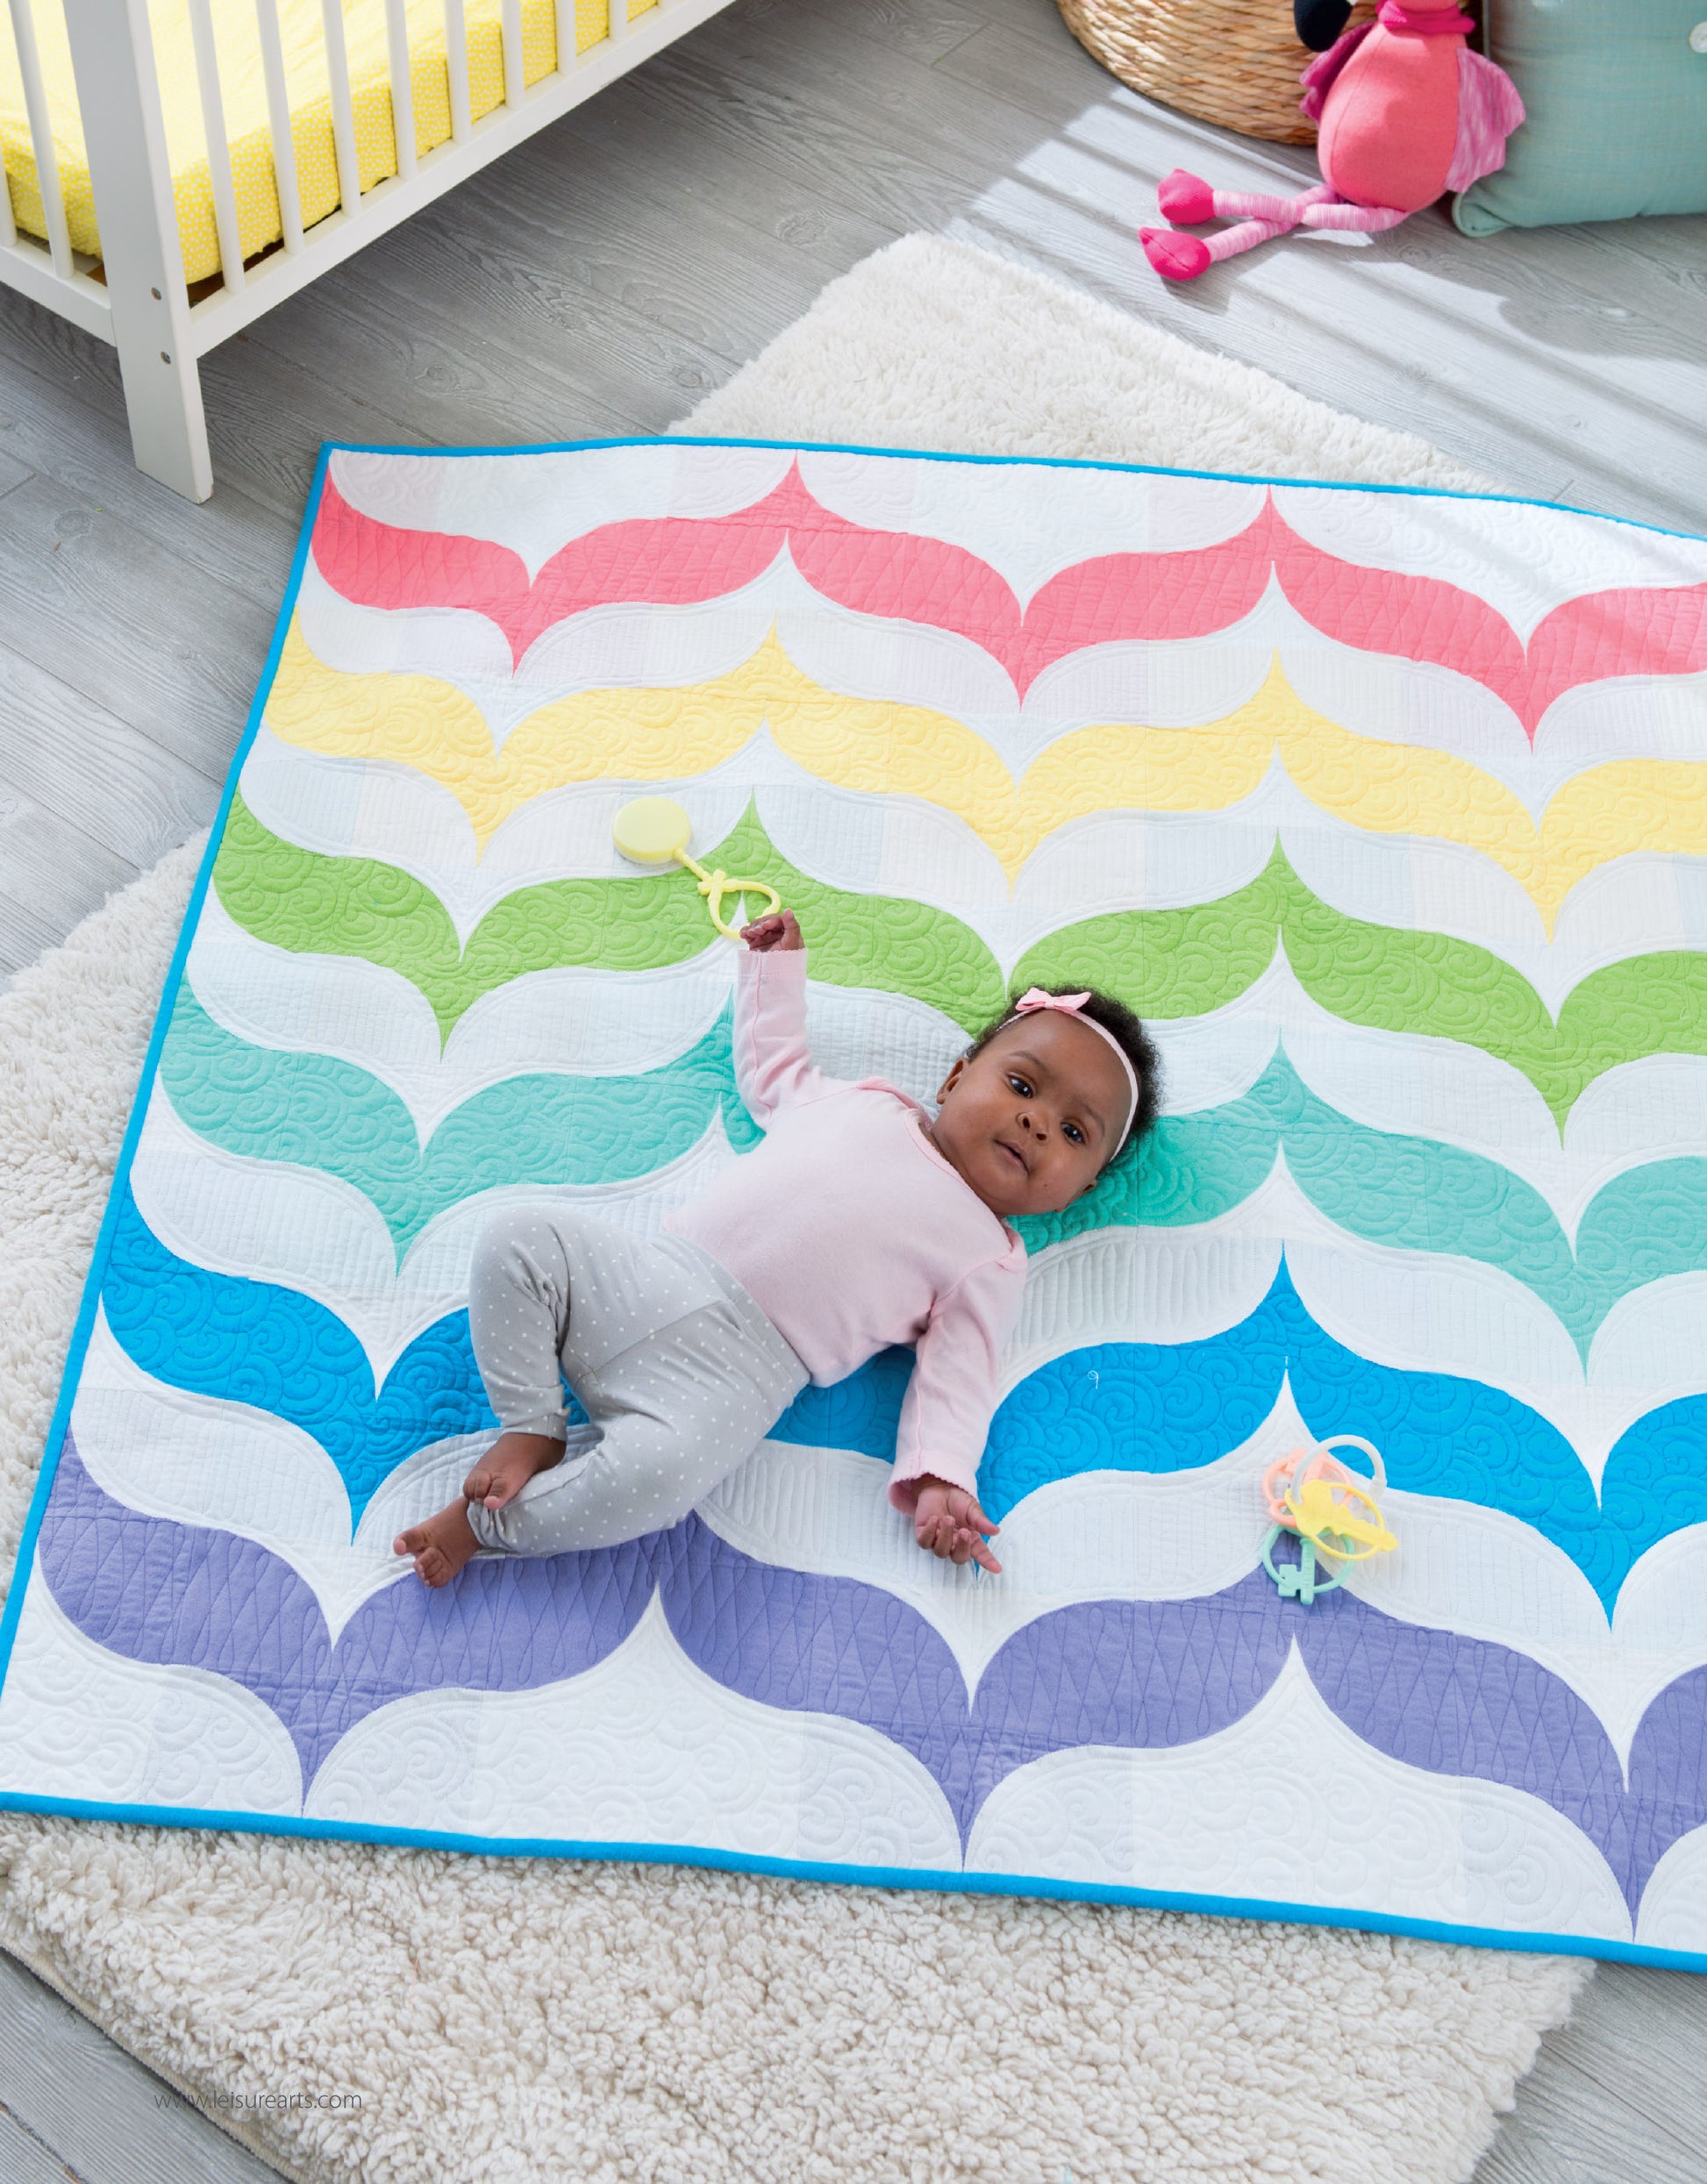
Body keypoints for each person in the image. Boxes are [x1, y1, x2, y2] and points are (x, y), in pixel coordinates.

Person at [394, 907, 1161, 1588]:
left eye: (1073, 1132)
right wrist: (774, 972)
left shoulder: (988, 1258)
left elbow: (959, 1380)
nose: (1036, 1123)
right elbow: (775, 1072)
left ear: (1081, 1189)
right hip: (648, 1275)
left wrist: (942, 1482)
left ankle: (487, 1525)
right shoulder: (867, 1104)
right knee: (518, 1236)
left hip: (729, 1381)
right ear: (956, 1078)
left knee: (659, 1482)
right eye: (1022, 1086)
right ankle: (532, 1425)